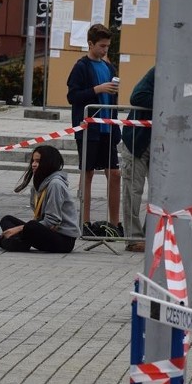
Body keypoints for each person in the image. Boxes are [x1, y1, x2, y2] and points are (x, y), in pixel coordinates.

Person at [67, 23, 123, 237]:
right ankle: (85, 221)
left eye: (107, 46)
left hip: (108, 129)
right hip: (89, 129)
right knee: (87, 173)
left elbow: (113, 99)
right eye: (101, 46)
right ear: (90, 44)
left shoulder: (109, 67)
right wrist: (97, 90)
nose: (104, 50)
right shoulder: (81, 66)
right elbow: (73, 96)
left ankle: (115, 223)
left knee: (115, 173)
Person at [0, 145, 80, 253]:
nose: (33, 164)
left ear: (48, 163)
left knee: (30, 226)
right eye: (33, 161)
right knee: (7, 220)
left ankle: (13, 242)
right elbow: (41, 219)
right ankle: (18, 242)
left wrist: (18, 229)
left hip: (63, 239)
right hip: (47, 229)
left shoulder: (56, 184)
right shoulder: (39, 184)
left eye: (38, 161)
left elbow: (52, 220)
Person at [120, 66, 155, 253]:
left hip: (161, 145)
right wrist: (168, 100)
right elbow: (136, 97)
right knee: (133, 192)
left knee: (160, 193)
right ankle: (133, 238)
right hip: (137, 142)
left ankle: (150, 235)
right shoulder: (158, 72)